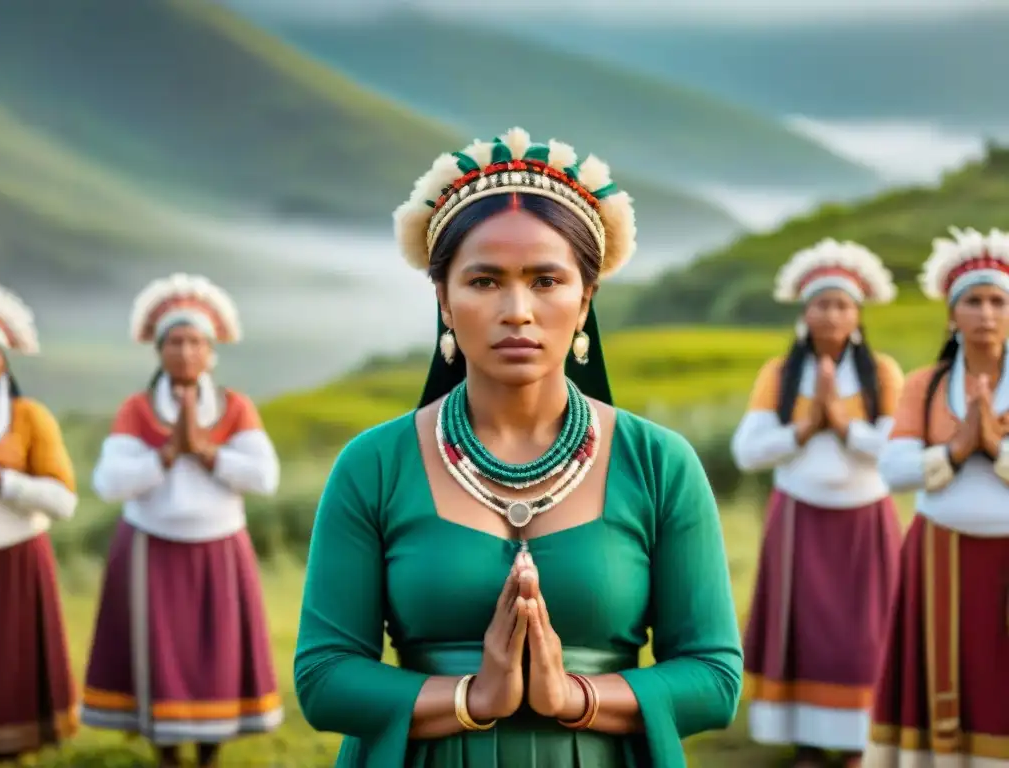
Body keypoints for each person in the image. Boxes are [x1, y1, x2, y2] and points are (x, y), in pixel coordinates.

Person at [293, 127, 743, 767]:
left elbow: (714, 677)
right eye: (483, 282)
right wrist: (471, 698)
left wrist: (571, 696)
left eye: (546, 280)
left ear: (585, 300)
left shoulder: (659, 465)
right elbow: (324, 676)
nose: (517, 310)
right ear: (443, 301)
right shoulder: (374, 466)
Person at [80, 274, 283, 768]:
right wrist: (168, 455)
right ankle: (167, 754)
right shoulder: (137, 409)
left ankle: (210, 752)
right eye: (175, 341)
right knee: (156, 656)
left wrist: (208, 453)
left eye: (195, 341)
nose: (186, 351)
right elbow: (108, 482)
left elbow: (265, 477)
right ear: (160, 350)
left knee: (216, 656)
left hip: (220, 547)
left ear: (211, 352)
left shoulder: (235, 407)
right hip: (150, 547)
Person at [731, 240, 905, 768]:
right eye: (822, 304)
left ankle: (858, 741)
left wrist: (843, 423)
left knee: (864, 634)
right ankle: (805, 742)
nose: (831, 314)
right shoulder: (779, 375)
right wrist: (807, 426)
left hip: (865, 521)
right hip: (799, 519)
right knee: (801, 632)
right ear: (804, 312)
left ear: (857, 315)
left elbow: (896, 451)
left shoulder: (883, 374)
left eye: (842, 305)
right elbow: (747, 452)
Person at [865, 227, 1009, 768]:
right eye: (973, 301)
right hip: (939, 556)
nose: (987, 314)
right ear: (952, 314)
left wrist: (990, 444)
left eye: (998, 301)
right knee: (950, 674)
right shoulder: (925, 385)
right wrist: (956, 448)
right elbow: (894, 470)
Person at [0, 282, 78, 762]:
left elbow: (64, 501)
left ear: (5, 361)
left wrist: (1, 478)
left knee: (7, 669)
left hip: (16, 560)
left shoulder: (31, 419)